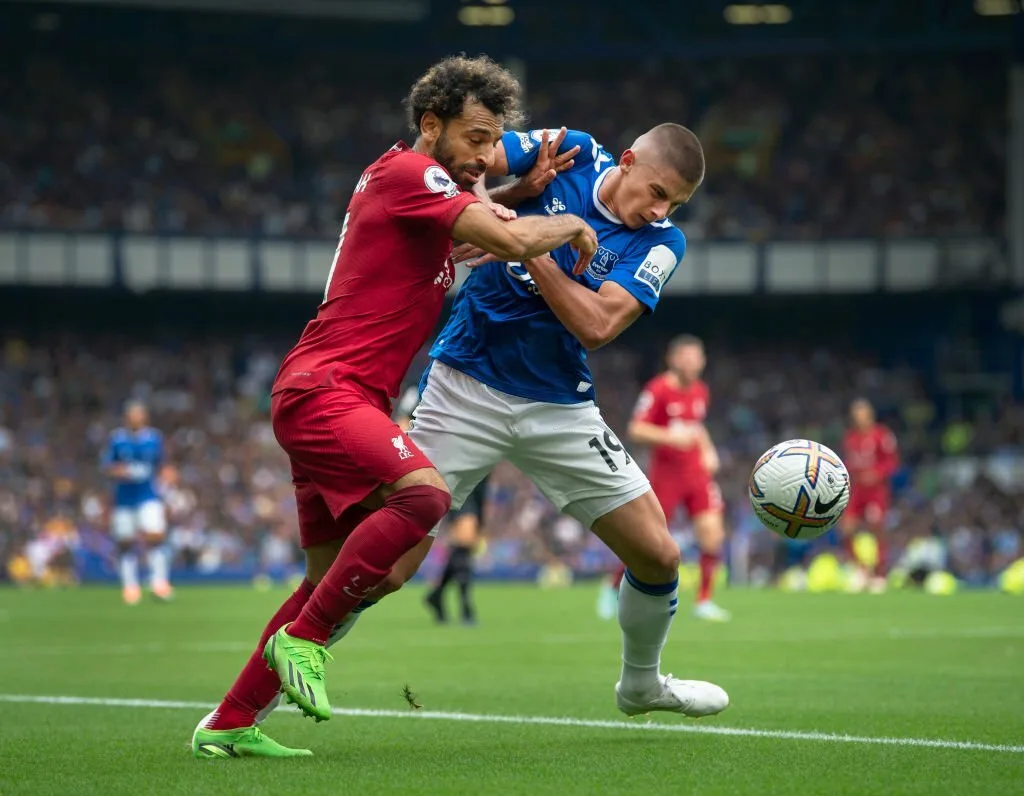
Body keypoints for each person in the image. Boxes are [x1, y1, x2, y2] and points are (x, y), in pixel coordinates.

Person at [191, 55, 598, 760]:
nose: (482, 154)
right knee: (424, 498)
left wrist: (521, 186)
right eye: (473, 137)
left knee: (328, 578)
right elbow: (502, 238)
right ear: (431, 125)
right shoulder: (412, 174)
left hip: (323, 393)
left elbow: (469, 237)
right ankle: (306, 642)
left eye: (492, 139)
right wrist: (566, 225)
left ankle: (229, 721)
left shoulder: (417, 195)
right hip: (329, 392)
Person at [259, 122, 730, 728]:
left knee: (660, 554)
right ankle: (254, 700)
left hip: (558, 404)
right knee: (385, 569)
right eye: (658, 191)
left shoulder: (666, 243)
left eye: (676, 204)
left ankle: (640, 686)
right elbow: (470, 161)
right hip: (464, 386)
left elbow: (597, 324)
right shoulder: (573, 150)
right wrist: (503, 209)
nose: (660, 210)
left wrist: (525, 249)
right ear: (631, 160)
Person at [615, 335, 730, 622]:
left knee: (713, 535)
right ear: (673, 359)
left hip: (696, 475)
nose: (692, 363)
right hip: (666, 476)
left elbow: (697, 428)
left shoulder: (701, 391)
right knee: (647, 541)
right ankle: (612, 586)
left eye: (697, 357)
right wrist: (669, 436)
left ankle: (704, 600)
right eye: (686, 357)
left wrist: (708, 449)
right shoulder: (658, 389)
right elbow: (636, 429)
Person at [397, 382, 487, 626]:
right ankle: (466, 606)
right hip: (452, 469)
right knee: (466, 537)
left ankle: (437, 596)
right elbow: (403, 423)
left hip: (481, 470)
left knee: (465, 542)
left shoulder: (485, 381)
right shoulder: (426, 385)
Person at [101, 400, 171, 605]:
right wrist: (118, 471)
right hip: (123, 500)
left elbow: (162, 464)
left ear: (144, 417)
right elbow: (107, 466)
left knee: (155, 536)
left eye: (138, 415)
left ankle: (159, 583)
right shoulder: (117, 439)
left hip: (148, 496)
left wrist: (168, 476)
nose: (135, 418)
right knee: (125, 542)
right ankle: (130, 586)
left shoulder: (154, 438)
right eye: (132, 415)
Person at [841, 397, 899, 593]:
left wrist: (877, 474)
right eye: (856, 414)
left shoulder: (881, 435)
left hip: (876, 490)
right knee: (847, 527)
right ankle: (861, 570)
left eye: (862, 413)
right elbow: (849, 462)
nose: (859, 418)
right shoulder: (850, 437)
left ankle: (880, 574)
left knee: (877, 528)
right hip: (857, 489)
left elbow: (892, 462)